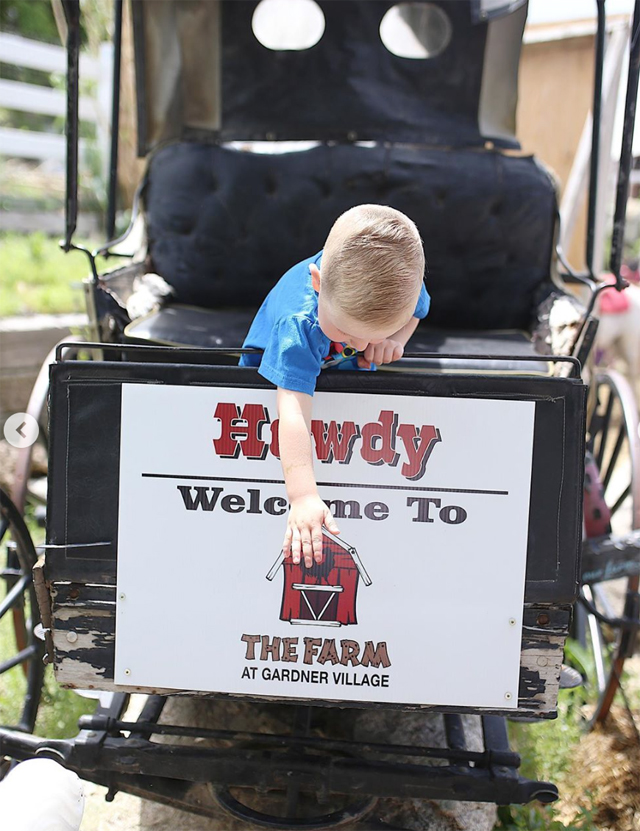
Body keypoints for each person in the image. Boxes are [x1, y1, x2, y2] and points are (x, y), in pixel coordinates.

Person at [240, 204, 430, 568]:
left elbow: (417, 311)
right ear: (317, 282)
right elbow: (292, 410)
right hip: (270, 391)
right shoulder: (300, 323)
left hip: (337, 388)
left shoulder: (399, 288)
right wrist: (302, 496)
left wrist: (396, 340)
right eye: (347, 332)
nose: (359, 346)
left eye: (369, 336)